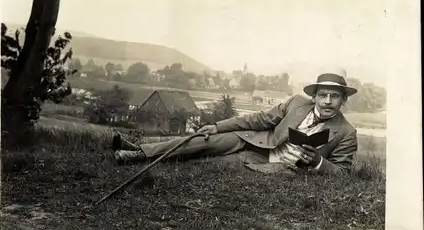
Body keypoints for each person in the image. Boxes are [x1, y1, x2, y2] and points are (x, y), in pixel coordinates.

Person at [113, 69, 358, 176]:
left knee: (208, 162)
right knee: (204, 139)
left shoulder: (346, 132)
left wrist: (318, 163)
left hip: (275, 165)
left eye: (334, 96)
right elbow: (259, 118)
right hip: (257, 142)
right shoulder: (296, 103)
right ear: (314, 96)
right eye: (323, 95)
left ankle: (141, 157)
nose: (327, 101)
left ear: (343, 100)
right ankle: (138, 152)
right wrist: (219, 126)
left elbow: (343, 173)